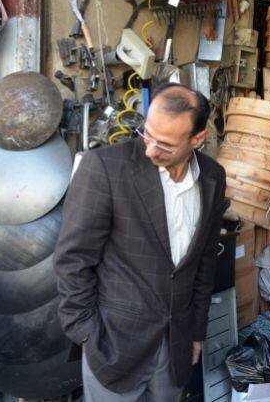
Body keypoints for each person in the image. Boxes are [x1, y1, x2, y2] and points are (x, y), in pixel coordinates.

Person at [54, 84, 229, 401]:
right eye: (147, 134)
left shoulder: (213, 178)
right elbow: (73, 259)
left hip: (175, 347)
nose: (149, 150)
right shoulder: (105, 168)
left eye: (165, 145)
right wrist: (85, 333)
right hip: (113, 346)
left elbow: (204, 263)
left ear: (197, 140)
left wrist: (195, 333)